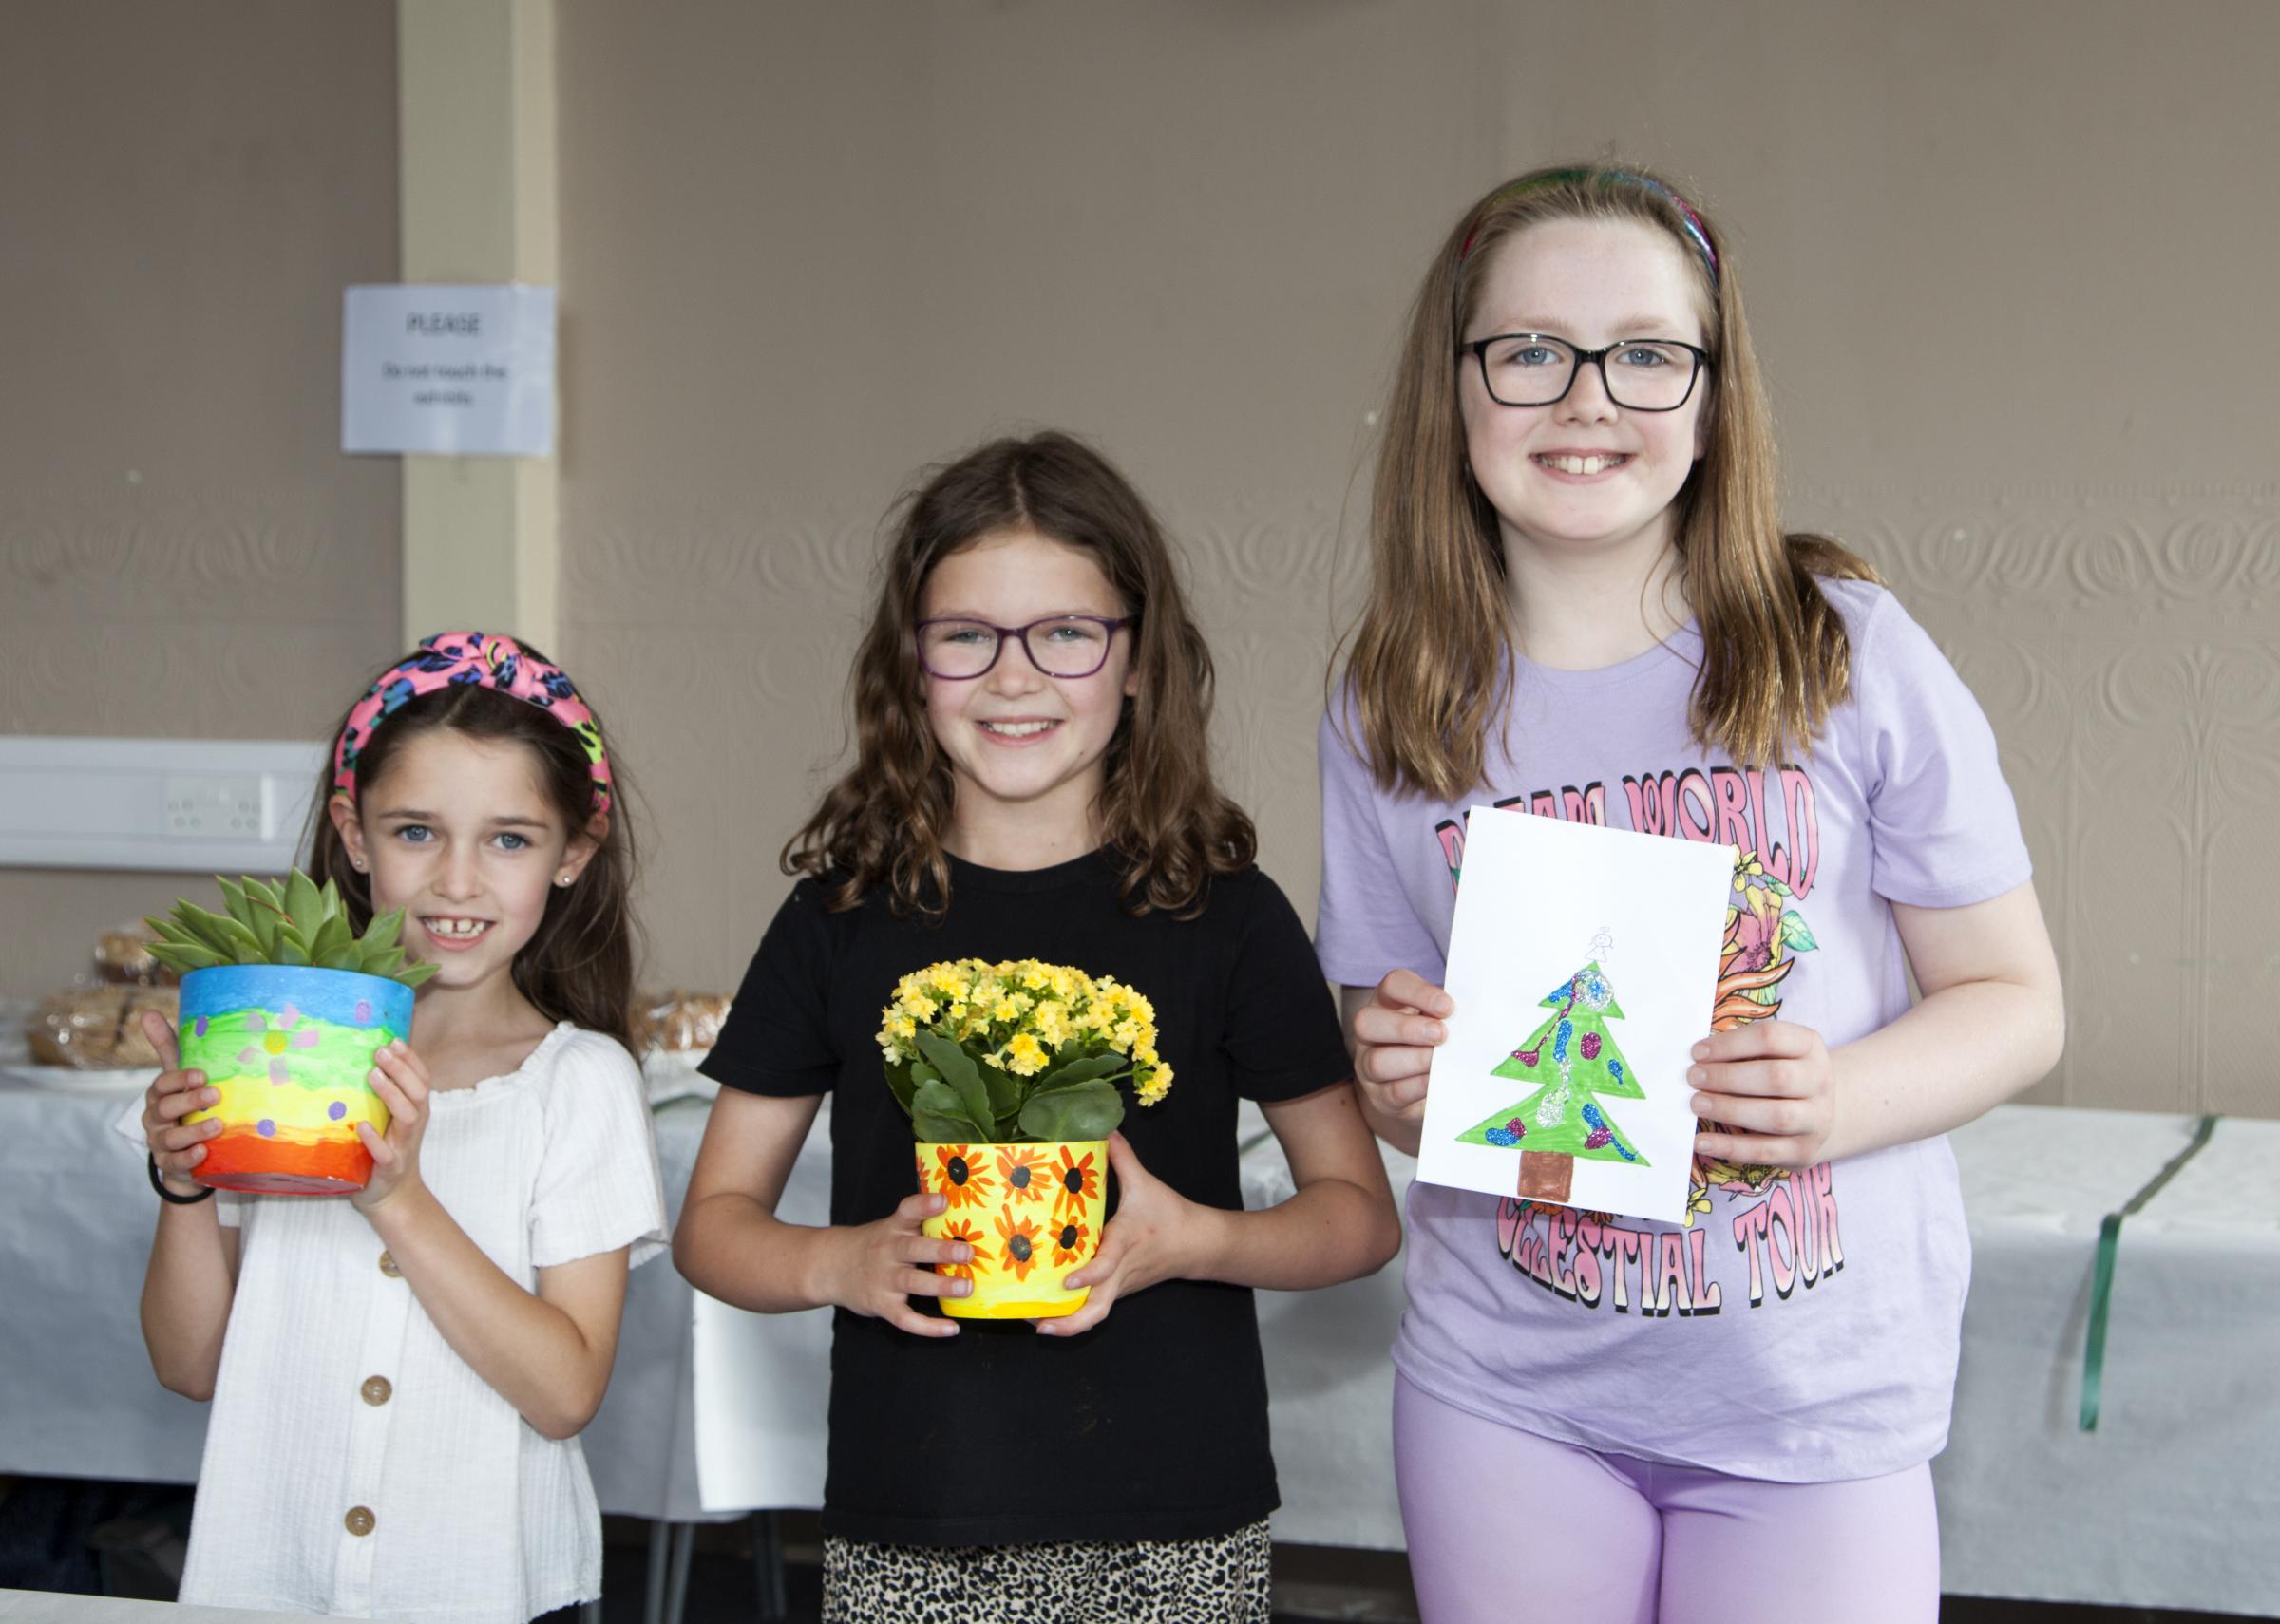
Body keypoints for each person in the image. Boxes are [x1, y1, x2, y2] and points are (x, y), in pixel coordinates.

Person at [1318, 164, 2065, 1623]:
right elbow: (1396, 1053)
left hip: (1813, 1399)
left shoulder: (1844, 649)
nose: (1587, 396)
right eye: (1529, 351)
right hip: (1508, 1390)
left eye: (1648, 353)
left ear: (1715, 396)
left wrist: (1833, 1102)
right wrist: (1398, 1077)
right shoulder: (1385, 700)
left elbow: (2017, 1001)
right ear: (1453, 389)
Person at [674, 431, 1402, 1624]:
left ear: (1139, 664)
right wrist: (837, 1262)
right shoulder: (840, 919)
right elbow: (713, 1227)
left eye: (1067, 634)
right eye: (966, 637)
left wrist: (1190, 1241)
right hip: (911, 1516)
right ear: (911, 666)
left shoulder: (1225, 915)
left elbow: (1359, 1219)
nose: (1014, 679)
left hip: (1178, 1514)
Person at [131, 633, 667, 1624]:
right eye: (417, 832)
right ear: (353, 831)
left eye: (509, 839)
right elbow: (191, 1365)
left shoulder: (579, 1085)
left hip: (481, 1593)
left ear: (572, 855)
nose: (457, 881)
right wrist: (184, 1183)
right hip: (266, 1580)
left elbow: (563, 1393)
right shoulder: (270, 1051)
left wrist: (399, 1199)